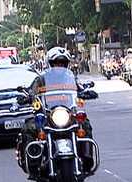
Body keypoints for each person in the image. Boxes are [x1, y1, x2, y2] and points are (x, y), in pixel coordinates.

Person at [20, 46, 94, 174]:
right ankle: (33, 162)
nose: (59, 66)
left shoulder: (71, 78)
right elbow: (31, 91)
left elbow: (80, 88)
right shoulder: (41, 79)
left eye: (62, 63)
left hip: (68, 113)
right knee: (29, 127)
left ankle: (87, 158)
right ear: (50, 64)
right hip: (48, 114)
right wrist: (26, 97)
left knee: (84, 124)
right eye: (56, 63)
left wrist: (87, 92)